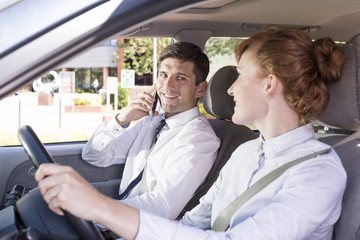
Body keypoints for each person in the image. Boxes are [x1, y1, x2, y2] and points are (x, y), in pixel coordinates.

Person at [35, 29, 347, 240]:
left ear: (269, 84)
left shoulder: (318, 173)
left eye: (240, 75)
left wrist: (100, 208)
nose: (230, 88)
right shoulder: (246, 154)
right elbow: (191, 224)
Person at [81, 41, 220, 220]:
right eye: (163, 75)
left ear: (200, 89)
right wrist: (123, 118)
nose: (168, 86)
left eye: (180, 78)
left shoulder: (199, 139)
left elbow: (161, 206)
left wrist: (94, 211)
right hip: (119, 222)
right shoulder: (151, 123)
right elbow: (94, 155)